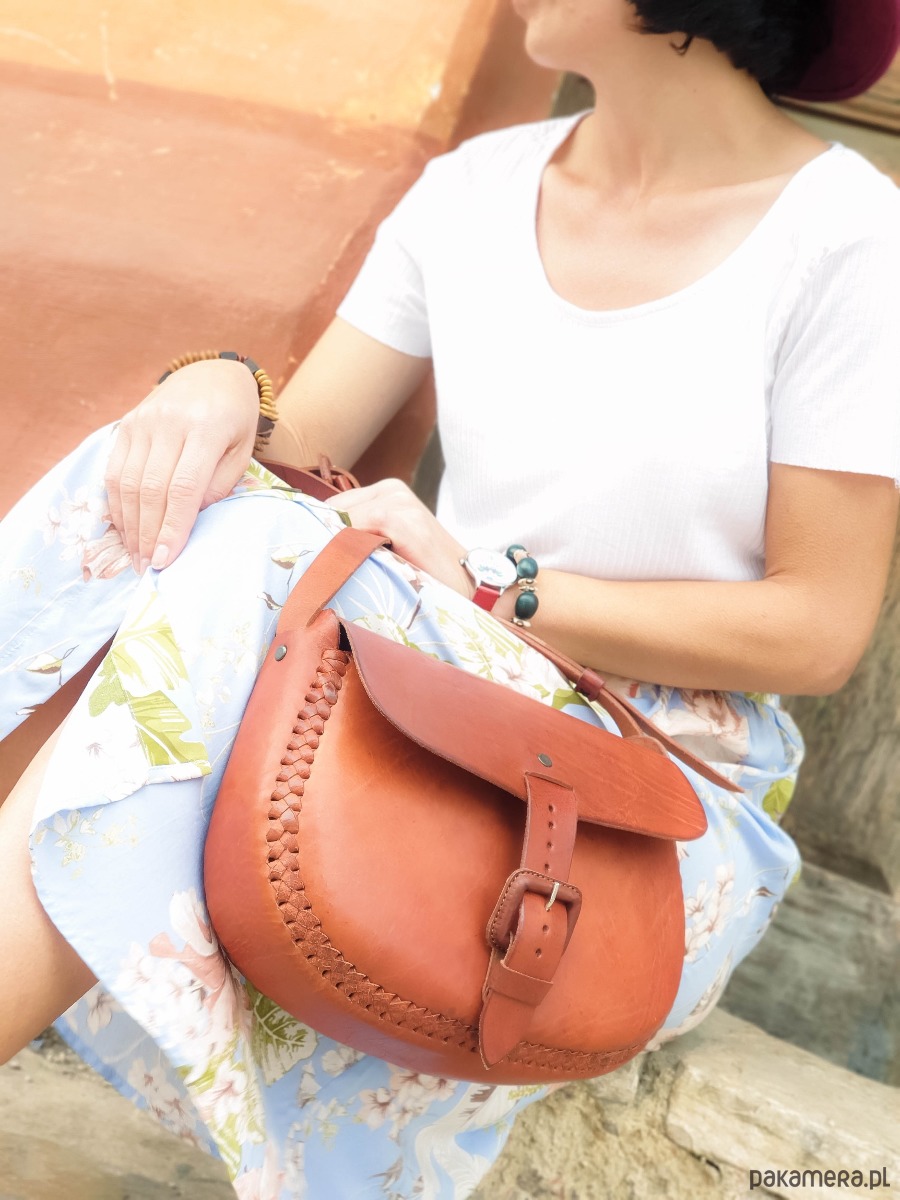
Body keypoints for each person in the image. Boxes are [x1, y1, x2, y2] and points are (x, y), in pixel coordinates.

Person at [2, 0, 900, 1195]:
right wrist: (218, 385)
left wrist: (492, 587)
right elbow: (296, 446)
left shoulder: (851, 240)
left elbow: (817, 630)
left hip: (654, 794)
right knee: (167, 474)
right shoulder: (474, 190)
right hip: (437, 702)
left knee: (256, 548)